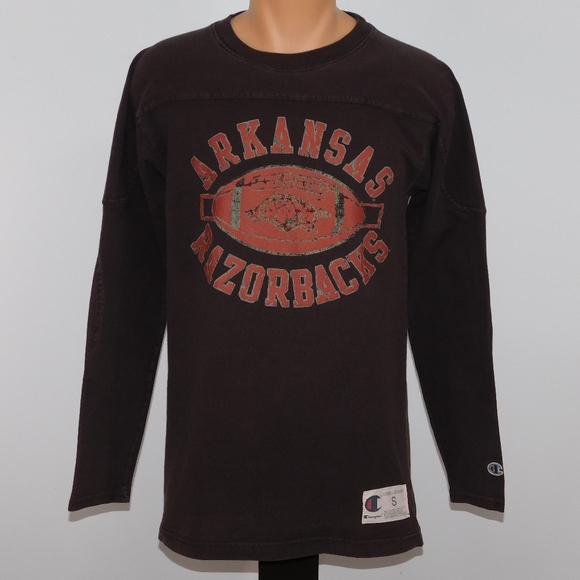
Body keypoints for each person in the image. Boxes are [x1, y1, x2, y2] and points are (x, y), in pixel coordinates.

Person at [68, 0, 505, 577]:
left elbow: (451, 292)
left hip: (354, 441)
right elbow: (130, 276)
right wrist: (103, 460)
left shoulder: (416, 87)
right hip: (221, 444)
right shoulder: (167, 79)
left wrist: (476, 462)